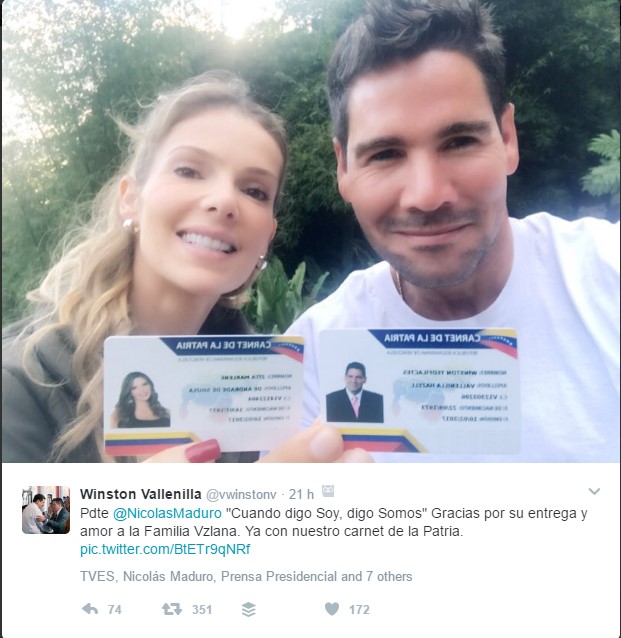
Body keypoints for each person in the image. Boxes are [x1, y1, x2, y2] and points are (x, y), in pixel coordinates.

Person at [287, 0, 620, 462]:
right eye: (385, 154)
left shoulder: (608, 275)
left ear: (508, 138)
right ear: (343, 168)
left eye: (460, 141)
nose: (426, 195)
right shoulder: (312, 357)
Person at [2, 70, 372, 465]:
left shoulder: (257, 389)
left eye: (254, 191)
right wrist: (127, 503)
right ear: (131, 199)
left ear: (268, 235)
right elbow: (33, 509)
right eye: (188, 171)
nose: (224, 201)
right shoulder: (21, 382)